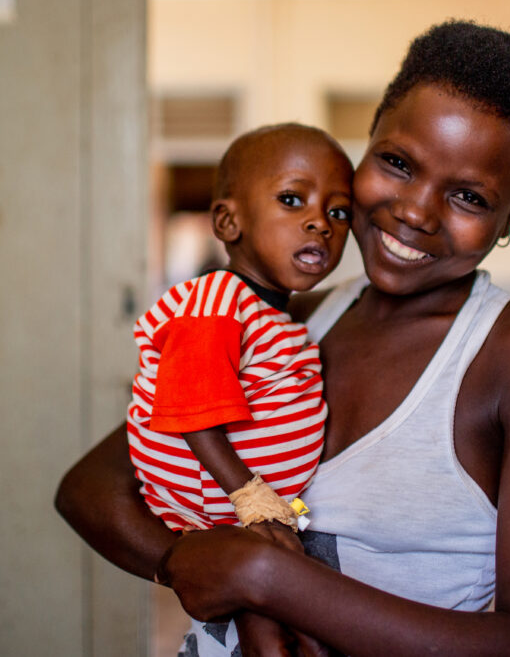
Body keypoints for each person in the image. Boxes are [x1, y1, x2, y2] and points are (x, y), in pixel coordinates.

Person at [57, 19, 510, 657]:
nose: (416, 212)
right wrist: (188, 564)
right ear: (365, 146)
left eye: (469, 197)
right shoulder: (294, 320)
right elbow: (92, 486)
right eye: (397, 163)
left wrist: (264, 579)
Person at [127, 123, 353, 652]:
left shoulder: (271, 315)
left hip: (244, 508)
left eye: (338, 212)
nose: (320, 222)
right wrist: (251, 499)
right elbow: (194, 412)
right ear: (229, 222)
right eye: (292, 200)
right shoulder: (215, 304)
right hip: (223, 504)